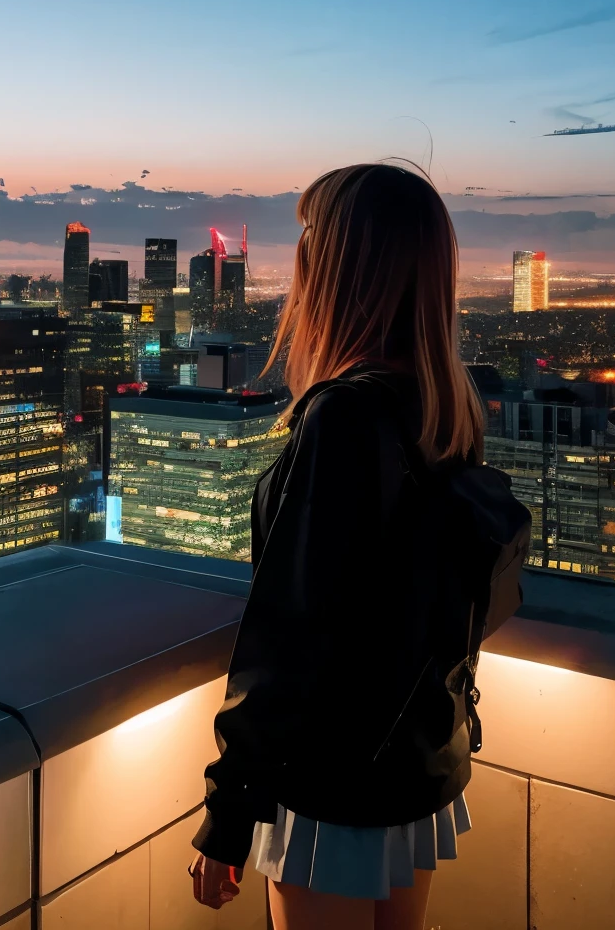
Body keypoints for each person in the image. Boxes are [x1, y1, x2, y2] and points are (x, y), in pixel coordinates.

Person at [188, 161, 529, 930]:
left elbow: (290, 636)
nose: (300, 257)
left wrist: (230, 811)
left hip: (336, 782)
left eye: (313, 239)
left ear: (342, 268)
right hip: (416, 760)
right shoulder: (447, 404)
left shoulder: (343, 417)